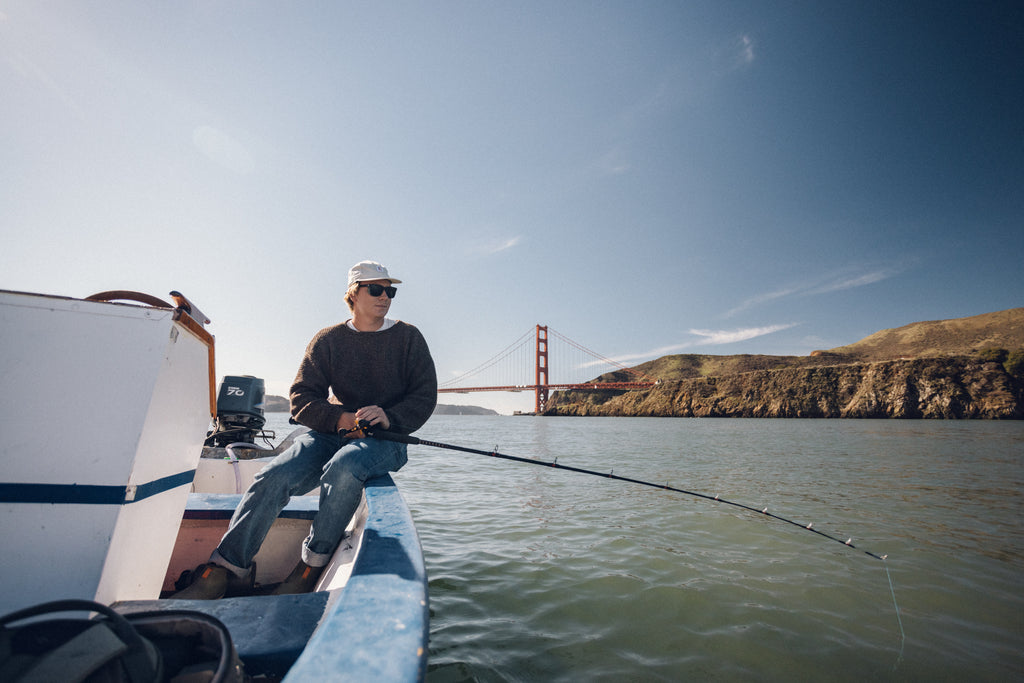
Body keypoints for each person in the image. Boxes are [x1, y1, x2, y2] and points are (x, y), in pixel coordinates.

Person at [175, 260, 437, 599]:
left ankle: (310, 566)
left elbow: (424, 395)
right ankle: (226, 569)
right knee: (273, 476)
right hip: (332, 433)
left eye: (390, 290)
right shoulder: (328, 340)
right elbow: (300, 397)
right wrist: (340, 420)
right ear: (353, 294)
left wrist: (388, 416)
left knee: (346, 467)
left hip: (386, 439)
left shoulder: (408, 337)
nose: (385, 296)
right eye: (376, 288)